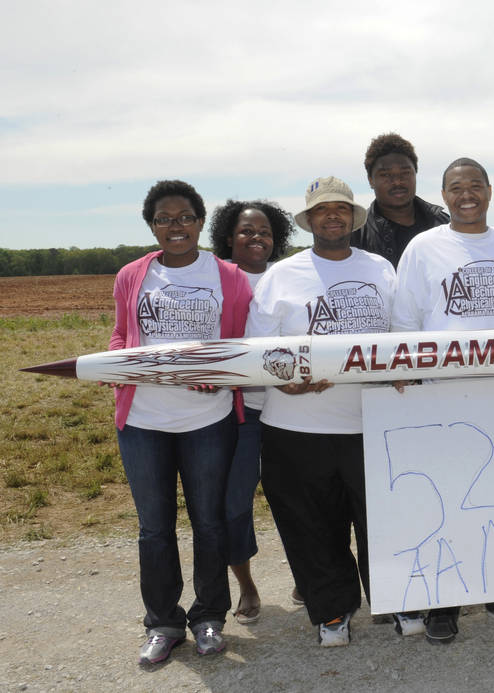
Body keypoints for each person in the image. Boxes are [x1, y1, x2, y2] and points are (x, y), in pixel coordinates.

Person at [391, 157, 494, 644]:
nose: (467, 194)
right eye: (457, 187)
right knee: (446, 501)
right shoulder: (423, 248)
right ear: (444, 195)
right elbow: (405, 325)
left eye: (476, 185)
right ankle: (443, 601)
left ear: (491, 191)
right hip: (443, 403)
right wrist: (410, 387)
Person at [246, 176, 396, 647]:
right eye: (322, 210)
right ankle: (332, 611)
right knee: (313, 526)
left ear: (354, 218)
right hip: (296, 427)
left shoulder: (383, 270)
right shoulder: (281, 276)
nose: (333, 216)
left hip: (370, 422)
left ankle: (396, 601)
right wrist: (281, 379)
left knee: (384, 520)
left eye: (342, 209)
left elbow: (402, 337)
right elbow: (256, 348)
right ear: (309, 220)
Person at [112, 180, 253, 664]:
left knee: (209, 523)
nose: (176, 226)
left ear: (199, 222)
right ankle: (164, 623)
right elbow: (119, 338)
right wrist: (117, 371)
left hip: (207, 421)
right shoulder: (132, 274)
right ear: (152, 226)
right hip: (144, 421)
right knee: (154, 528)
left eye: (185, 217)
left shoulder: (230, 277)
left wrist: (224, 377)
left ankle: (210, 617)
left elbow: (240, 347)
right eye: (164, 219)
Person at [207, 199, 295, 625]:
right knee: (234, 504)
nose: (256, 237)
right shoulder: (217, 278)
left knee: (300, 499)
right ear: (228, 237)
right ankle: (246, 584)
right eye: (246, 231)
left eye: (264, 231)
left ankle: (307, 573)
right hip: (242, 413)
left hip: (294, 409)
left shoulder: (292, 277)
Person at [350, 132, 449, 268]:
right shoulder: (356, 234)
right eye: (385, 175)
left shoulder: (443, 223)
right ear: (371, 180)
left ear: (415, 174)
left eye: (405, 173)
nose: (397, 182)